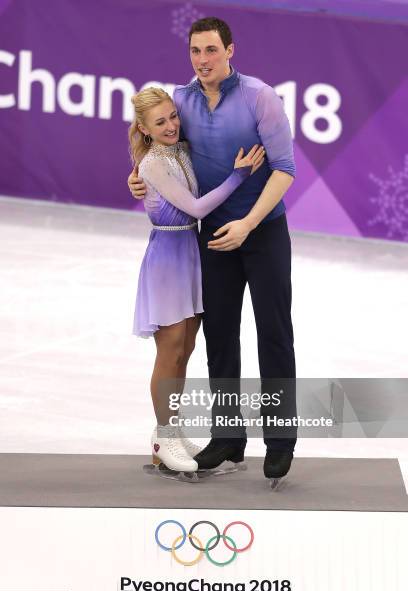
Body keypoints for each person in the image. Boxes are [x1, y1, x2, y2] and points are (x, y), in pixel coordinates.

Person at [128, 16, 297, 483]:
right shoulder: (180, 100)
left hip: (262, 231)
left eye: (211, 51)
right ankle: (228, 437)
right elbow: (158, 147)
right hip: (213, 237)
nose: (202, 60)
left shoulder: (261, 97)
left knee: (274, 334)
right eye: (195, 52)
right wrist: (137, 178)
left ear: (230, 50)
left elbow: (284, 169)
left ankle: (281, 440)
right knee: (220, 338)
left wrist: (248, 222)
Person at [129, 86, 265, 474]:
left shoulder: (179, 151)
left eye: (173, 116)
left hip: (191, 253)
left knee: (185, 347)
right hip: (167, 258)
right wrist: (239, 176)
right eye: (161, 122)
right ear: (145, 128)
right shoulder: (154, 162)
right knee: (169, 349)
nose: (172, 125)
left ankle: (169, 434)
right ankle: (163, 434)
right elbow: (197, 206)